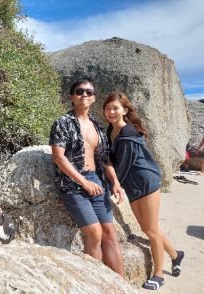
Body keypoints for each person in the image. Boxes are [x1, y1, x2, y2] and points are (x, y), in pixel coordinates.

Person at [102, 91, 184, 290]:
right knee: (148, 228)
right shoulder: (110, 130)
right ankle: (176, 255)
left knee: (151, 230)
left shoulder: (127, 132)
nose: (111, 112)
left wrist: (110, 184)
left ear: (125, 110)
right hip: (133, 185)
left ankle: (158, 274)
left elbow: (122, 165)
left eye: (116, 108)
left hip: (146, 182)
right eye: (108, 108)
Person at [49, 78, 124, 277]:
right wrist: (84, 182)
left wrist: (115, 182)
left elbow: (105, 159)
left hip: (97, 181)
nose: (85, 95)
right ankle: (94, 282)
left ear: (93, 98)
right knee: (94, 233)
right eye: (80, 91)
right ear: (71, 97)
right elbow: (58, 157)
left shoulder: (98, 127)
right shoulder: (63, 123)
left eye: (89, 92)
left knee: (110, 233)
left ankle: (121, 285)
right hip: (74, 184)